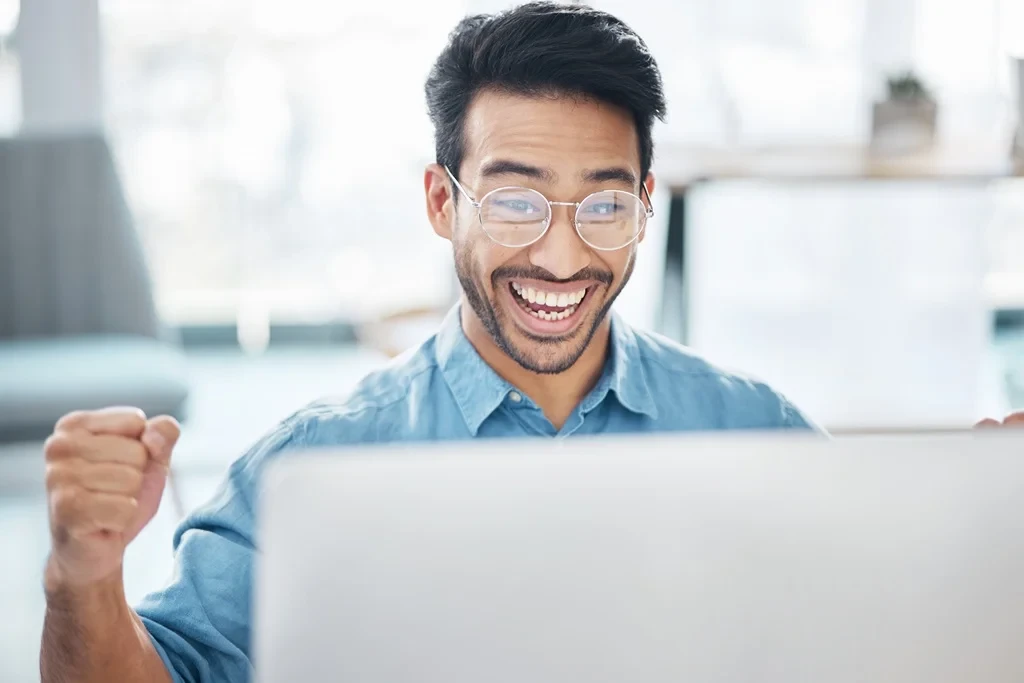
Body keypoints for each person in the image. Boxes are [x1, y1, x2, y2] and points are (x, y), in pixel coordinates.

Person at [39, 3, 1022, 682]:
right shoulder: (315, 466)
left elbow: (861, 641)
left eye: (602, 203)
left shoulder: (748, 427)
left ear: (646, 206)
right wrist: (83, 578)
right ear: (441, 201)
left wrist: (974, 544)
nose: (561, 254)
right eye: (514, 198)